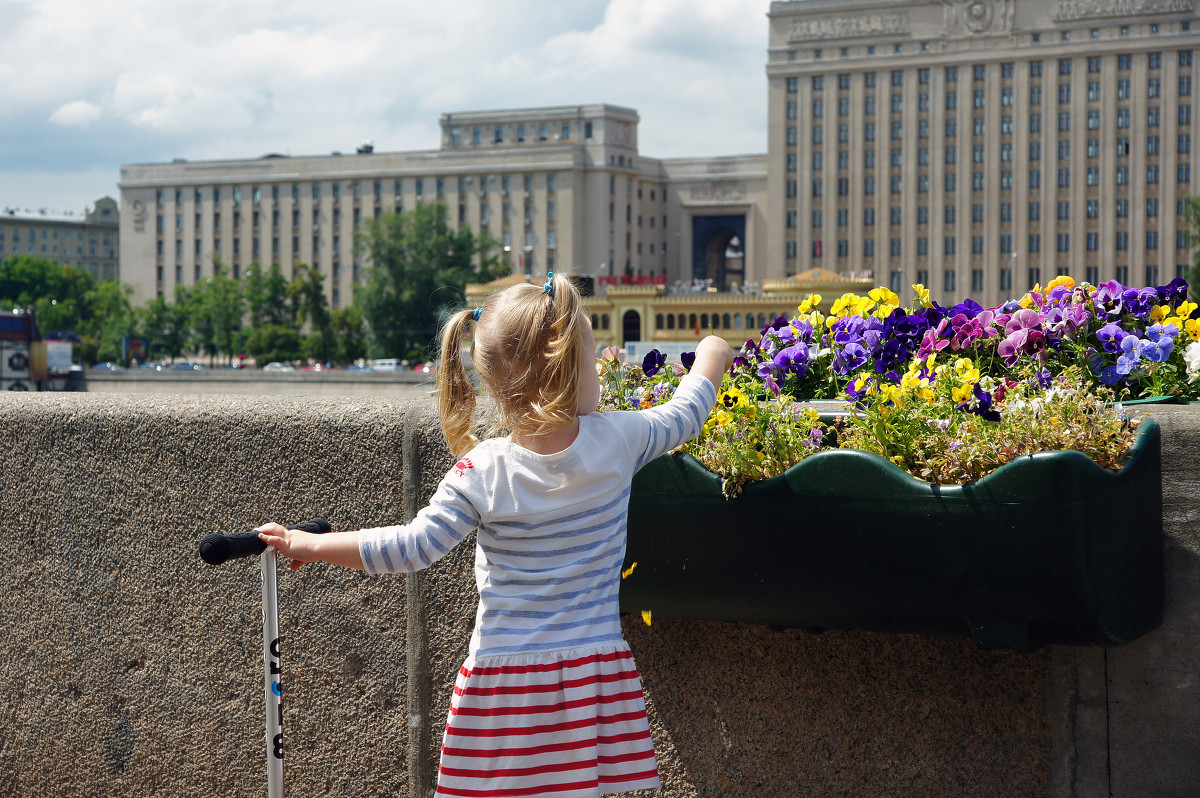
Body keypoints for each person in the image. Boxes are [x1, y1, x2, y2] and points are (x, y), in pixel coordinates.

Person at [257, 272, 733, 797]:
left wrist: (308, 544)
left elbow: (411, 547)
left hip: (504, 689)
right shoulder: (621, 439)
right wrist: (711, 352)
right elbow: (687, 412)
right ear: (567, 369)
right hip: (589, 678)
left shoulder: (482, 470)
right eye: (592, 357)